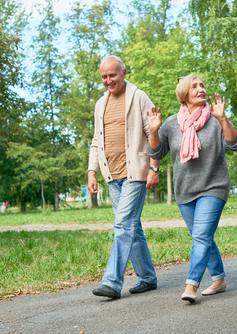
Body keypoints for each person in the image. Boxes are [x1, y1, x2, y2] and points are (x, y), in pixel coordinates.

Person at [146, 74, 237, 302]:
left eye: (203, 85)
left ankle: (192, 285)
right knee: (202, 237)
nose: (201, 89)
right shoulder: (170, 123)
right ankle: (219, 279)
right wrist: (154, 131)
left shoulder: (215, 117)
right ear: (184, 94)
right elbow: (156, 153)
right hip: (185, 190)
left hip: (213, 186)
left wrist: (224, 119)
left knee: (200, 236)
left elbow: (234, 145)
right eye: (195, 86)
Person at [88, 55, 160, 300]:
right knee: (132, 227)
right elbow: (96, 141)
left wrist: (154, 168)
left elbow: (154, 132)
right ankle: (148, 277)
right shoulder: (100, 104)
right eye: (104, 77)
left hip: (135, 173)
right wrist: (92, 172)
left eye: (112, 75)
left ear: (123, 72)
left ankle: (111, 282)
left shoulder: (138, 97)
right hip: (112, 175)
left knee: (122, 225)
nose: (108, 80)